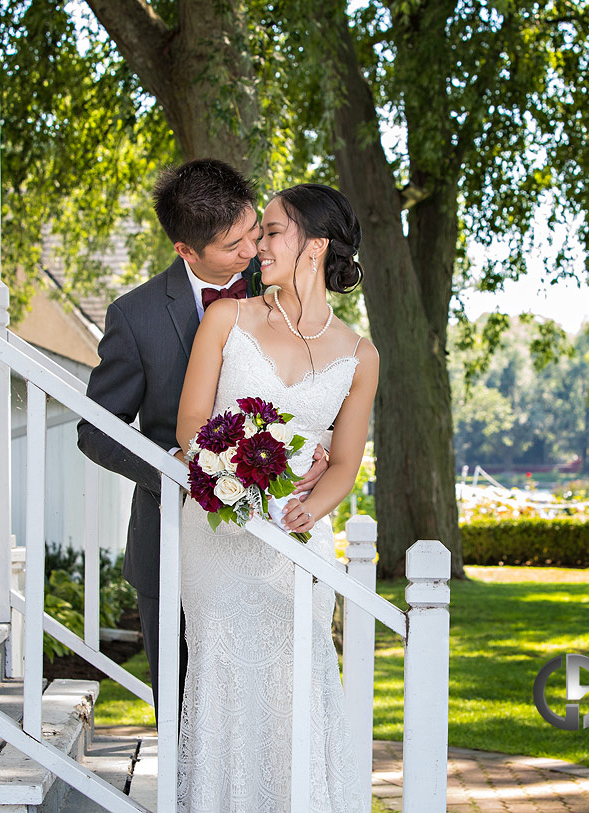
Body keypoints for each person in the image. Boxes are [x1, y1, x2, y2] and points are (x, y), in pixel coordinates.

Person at [76, 159, 329, 714]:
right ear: (186, 251)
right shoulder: (135, 316)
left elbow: (319, 381)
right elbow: (96, 430)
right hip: (170, 537)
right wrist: (174, 467)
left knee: (271, 704)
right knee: (185, 707)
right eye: (232, 245)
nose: (251, 254)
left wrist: (320, 446)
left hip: (270, 541)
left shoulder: (284, 288)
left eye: (253, 234)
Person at [174, 183, 378, 812]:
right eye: (258, 232)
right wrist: (241, 468)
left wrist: (307, 508)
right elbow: (190, 430)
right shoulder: (226, 319)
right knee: (226, 680)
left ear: (314, 246)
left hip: (297, 543)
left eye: (272, 231)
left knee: (299, 682)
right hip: (219, 535)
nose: (257, 244)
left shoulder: (361, 355)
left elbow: (344, 463)